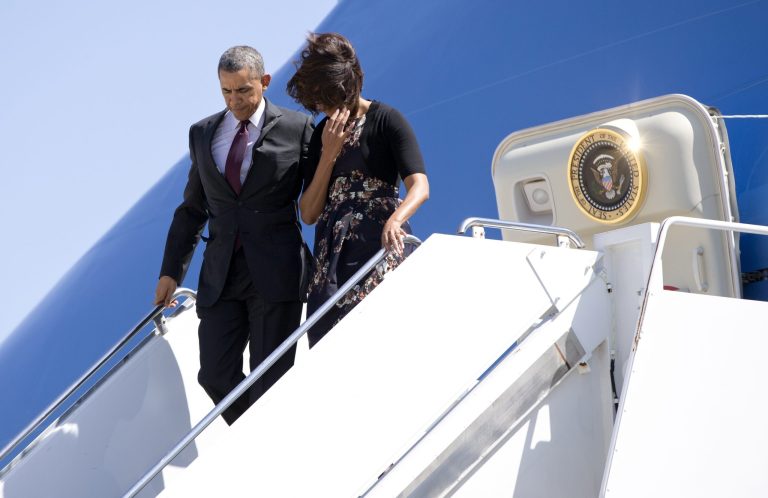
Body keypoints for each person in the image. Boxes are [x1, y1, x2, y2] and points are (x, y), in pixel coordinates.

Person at [154, 46, 314, 425]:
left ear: (264, 82)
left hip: (277, 273)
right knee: (213, 374)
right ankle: (261, 437)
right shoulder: (203, 134)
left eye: (243, 90)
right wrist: (171, 272)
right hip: (221, 275)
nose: (235, 100)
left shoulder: (298, 127)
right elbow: (193, 208)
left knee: (270, 379)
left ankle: (269, 454)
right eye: (226, 92)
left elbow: (317, 194)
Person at [287, 33, 430, 347]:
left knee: (381, 333)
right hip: (331, 255)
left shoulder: (386, 119)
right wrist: (328, 154)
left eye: (324, 98)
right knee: (328, 339)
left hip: (377, 239)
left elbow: (419, 186)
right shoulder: (322, 133)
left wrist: (395, 220)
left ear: (343, 88)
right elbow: (308, 212)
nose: (321, 107)